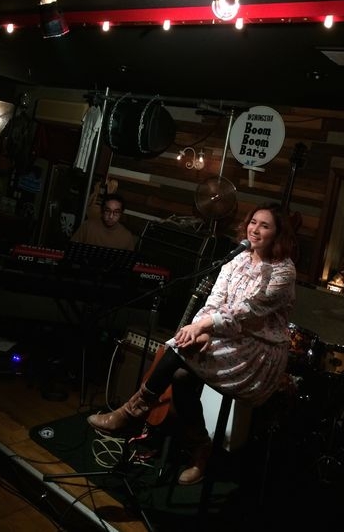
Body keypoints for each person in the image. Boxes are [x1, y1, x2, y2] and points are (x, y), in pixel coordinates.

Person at [87, 202, 296, 485]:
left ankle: (131, 413)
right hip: (226, 334)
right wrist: (200, 331)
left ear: (277, 234)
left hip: (257, 351)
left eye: (265, 225)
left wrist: (203, 327)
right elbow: (215, 300)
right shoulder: (238, 258)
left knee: (177, 350)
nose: (255, 229)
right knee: (181, 375)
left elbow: (248, 310)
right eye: (253, 222)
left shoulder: (283, 271)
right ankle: (199, 447)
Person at [71, 190, 135, 251]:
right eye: (107, 211)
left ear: (121, 214)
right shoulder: (87, 226)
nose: (111, 216)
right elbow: (71, 248)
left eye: (116, 212)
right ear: (102, 211)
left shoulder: (127, 237)